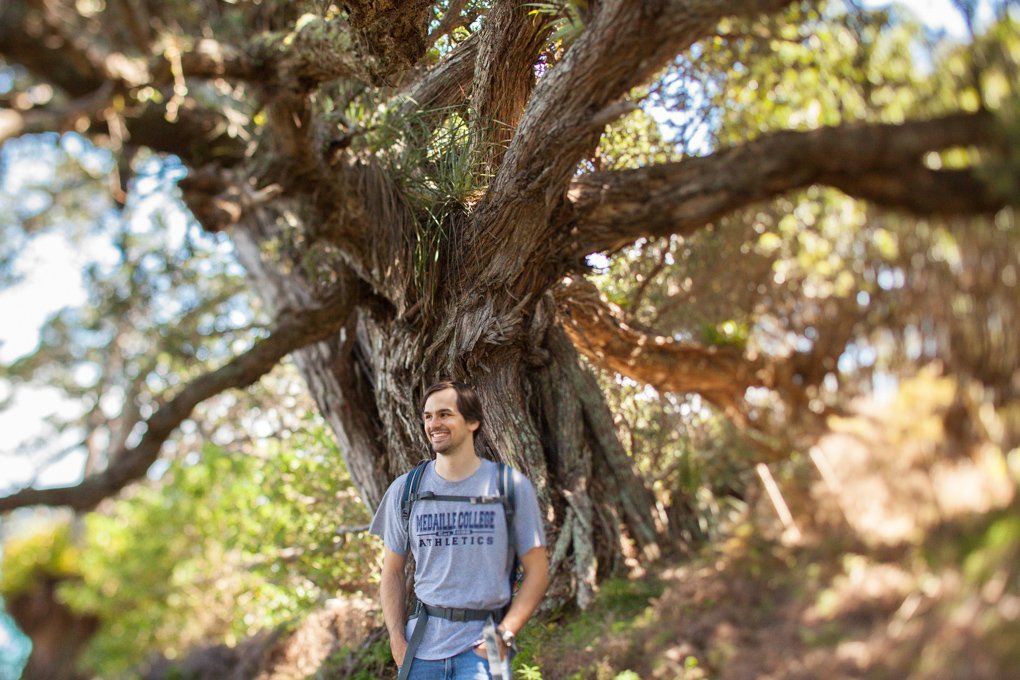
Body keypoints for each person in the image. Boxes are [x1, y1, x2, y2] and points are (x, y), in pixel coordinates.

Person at [370, 381, 549, 680]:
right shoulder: (406, 490)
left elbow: (538, 571)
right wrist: (396, 639)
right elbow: (391, 572)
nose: (433, 424)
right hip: (419, 649)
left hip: (484, 647)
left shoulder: (509, 487)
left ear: (473, 422)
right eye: (428, 416)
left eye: (444, 414)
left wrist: (504, 635)